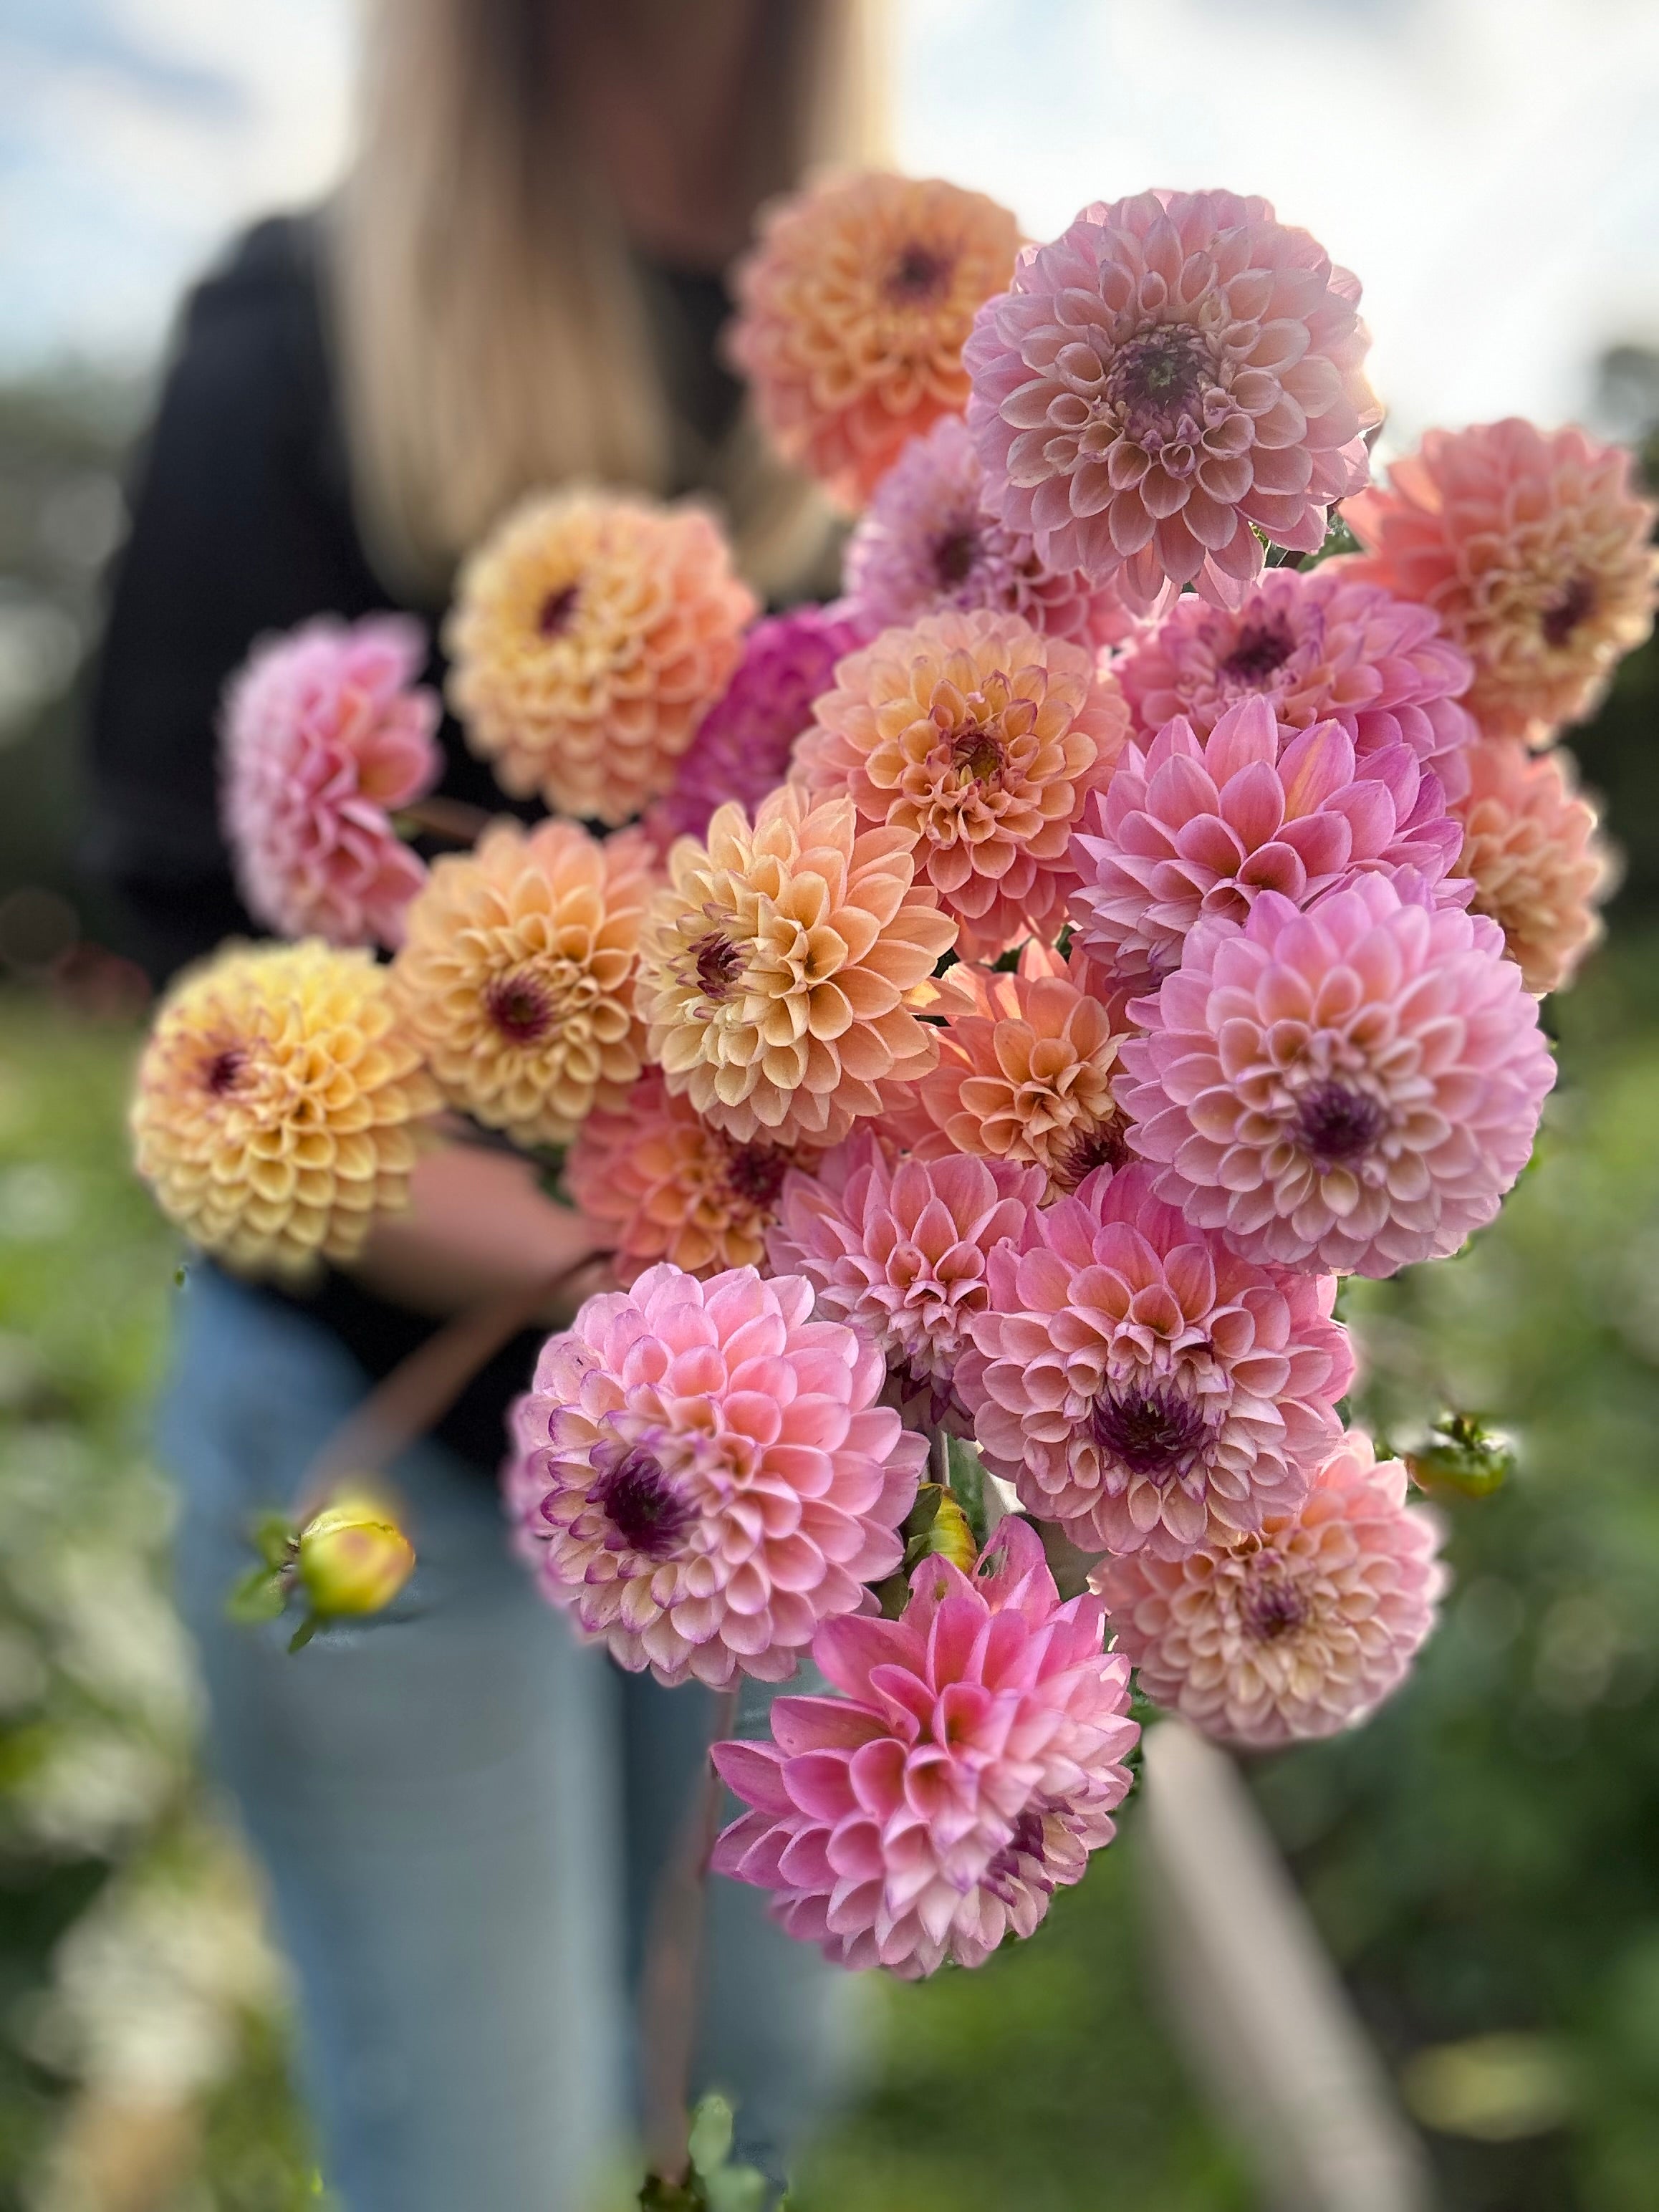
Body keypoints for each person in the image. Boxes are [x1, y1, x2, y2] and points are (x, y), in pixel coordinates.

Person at [83, 5, 883, 2206]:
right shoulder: (296, 328)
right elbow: (182, 946)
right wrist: (611, 1268)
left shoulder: (924, 369)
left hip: (757, 1426)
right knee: (491, 2161)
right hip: (397, 1427)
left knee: (747, 2097)